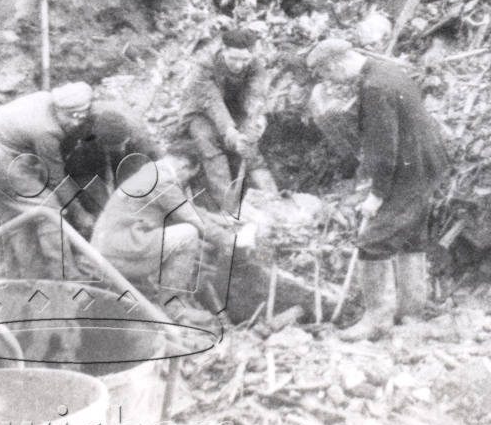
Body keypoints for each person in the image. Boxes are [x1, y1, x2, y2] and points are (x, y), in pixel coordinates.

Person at [304, 39, 449, 340]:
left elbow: (384, 147)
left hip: (408, 169)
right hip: (426, 162)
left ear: (336, 64)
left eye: (327, 74)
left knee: (373, 243)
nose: (331, 81)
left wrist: (377, 195)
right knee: (411, 237)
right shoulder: (388, 70)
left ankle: (377, 319)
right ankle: (411, 313)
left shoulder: (374, 87)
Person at [0, 82, 94, 274]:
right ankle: (67, 277)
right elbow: (56, 179)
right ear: (58, 108)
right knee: (48, 209)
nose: (75, 123)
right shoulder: (47, 131)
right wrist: (79, 214)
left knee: (17, 219)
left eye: (80, 116)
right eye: (70, 116)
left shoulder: (43, 98)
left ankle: (34, 277)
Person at [90, 154, 230, 320]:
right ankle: (172, 306)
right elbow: (196, 221)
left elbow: (184, 206)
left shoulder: (153, 171)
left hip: (105, 250)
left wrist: (220, 219)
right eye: (190, 177)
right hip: (114, 259)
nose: (187, 182)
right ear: (184, 164)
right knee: (188, 234)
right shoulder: (163, 182)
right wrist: (232, 240)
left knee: (176, 232)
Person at [179, 28, 276, 213]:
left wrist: (256, 121)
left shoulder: (255, 65)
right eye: (233, 59)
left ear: (252, 54)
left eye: (244, 60)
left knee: (250, 150)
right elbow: (213, 103)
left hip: (235, 110)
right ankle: (229, 210)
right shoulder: (205, 64)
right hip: (201, 112)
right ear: (223, 50)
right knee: (207, 142)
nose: (239, 65)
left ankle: (275, 202)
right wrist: (231, 134)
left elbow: (256, 95)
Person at [61, 98, 164, 235]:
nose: (121, 149)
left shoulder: (138, 137)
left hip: (135, 146)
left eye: (122, 145)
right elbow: (71, 166)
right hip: (94, 145)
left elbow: (128, 183)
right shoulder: (85, 130)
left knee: (132, 188)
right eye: (116, 147)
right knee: (98, 201)